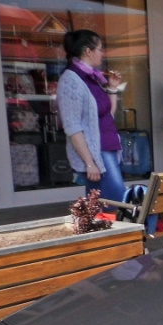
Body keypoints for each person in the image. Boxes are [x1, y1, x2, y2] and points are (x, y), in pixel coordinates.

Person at [56, 29, 125, 202]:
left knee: (102, 203)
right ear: (88, 51)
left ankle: (98, 227)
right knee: (116, 200)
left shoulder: (92, 78)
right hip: (97, 152)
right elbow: (72, 127)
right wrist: (89, 162)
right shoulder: (72, 80)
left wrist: (113, 88)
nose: (102, 54)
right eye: (100, 49)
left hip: (107, 147)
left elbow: (107, 114)